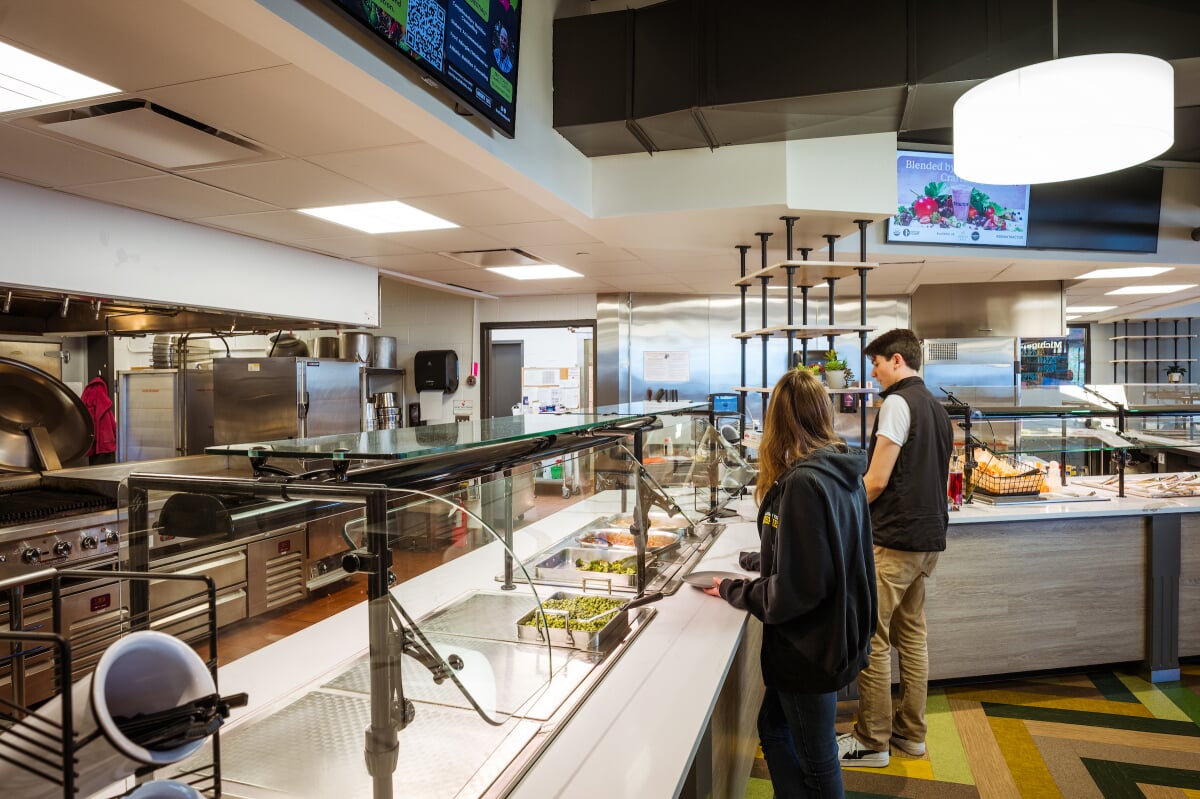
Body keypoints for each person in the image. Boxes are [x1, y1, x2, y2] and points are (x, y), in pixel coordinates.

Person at [703, 368, 876, 797]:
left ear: (778, 421)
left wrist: (731, 589)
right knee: (774, 727)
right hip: (838, 631)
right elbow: (827, 549)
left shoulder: (803, 481)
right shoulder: (839, 467)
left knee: (817, 762)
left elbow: (796, 592)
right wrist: (764, 556)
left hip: (809, 646)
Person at [837, 329, 952, 768]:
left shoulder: (898, 404)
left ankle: (873, 741)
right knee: (913, 636)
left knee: (875, 639)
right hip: (928, 542)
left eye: (878, 363)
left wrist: (841, 510)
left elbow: (877, 480)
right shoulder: (937, 409)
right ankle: (911, 734)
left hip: (893, 540)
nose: (874, 371)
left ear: (898, 360)